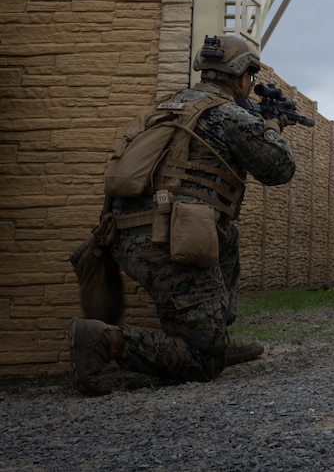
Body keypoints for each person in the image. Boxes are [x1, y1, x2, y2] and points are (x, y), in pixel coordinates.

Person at [68, 35, 297, 395]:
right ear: (240, 77)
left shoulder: (169, 107)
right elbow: (279, 169)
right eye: (250, 78)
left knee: (227, 235)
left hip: (124, 236)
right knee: (204, 362)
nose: (251, 85)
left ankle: (215, 333)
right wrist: (273, 126)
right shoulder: (230, 115)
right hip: (170, 242)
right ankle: (105, 341)